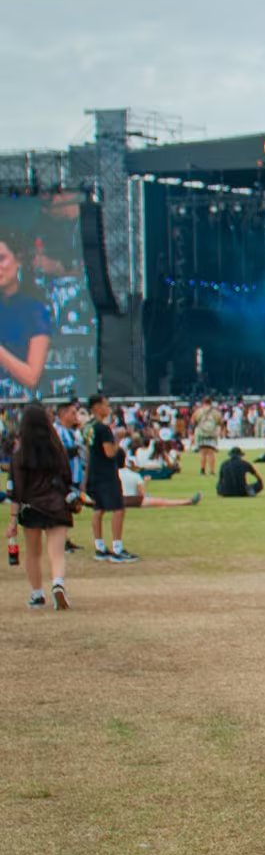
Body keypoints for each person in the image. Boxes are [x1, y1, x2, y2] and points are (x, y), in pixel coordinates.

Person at [10, 404, 74, 609]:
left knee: (33, 553)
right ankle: (58, 584)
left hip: (31, 507)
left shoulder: (20, 455)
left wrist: (12, 519)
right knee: (56, 553)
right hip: (56, 504)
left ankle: (37, 594)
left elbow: (16, 489)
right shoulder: (57, 449)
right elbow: (67, 477)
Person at [81, 395, 136, 563]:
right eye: (106, 405)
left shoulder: (87, 427)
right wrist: (118, 438)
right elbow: (110, 453)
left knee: (99, 509)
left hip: (93, 473)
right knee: (118, 508)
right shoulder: (103, 429)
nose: (109, 408)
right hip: (106, 474)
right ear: (97, 407)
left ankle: (100, 547)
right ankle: (117, 548)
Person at [0, 231, 52, 393]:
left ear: (18, 260)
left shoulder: (35, 310)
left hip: (18, 402)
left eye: (2, 259)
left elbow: (31, 377)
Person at [117, 465, 201, 508]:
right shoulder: (134, 475)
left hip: (117, 500)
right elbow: (142, 493)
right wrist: (146, 482)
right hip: (134, 500)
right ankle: (188, 501)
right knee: (163, 501)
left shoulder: (112, 474)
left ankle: (188, 501)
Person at [190, 397, 222, 476]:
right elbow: (220, 422)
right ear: (211, 402)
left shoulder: (198, 411)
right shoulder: (215, 412)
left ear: (203, 402)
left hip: (201, 433)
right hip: (212, 433)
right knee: (211, 453)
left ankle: (202, 471)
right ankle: (211, 471)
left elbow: (192, 421)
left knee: (203, 453)